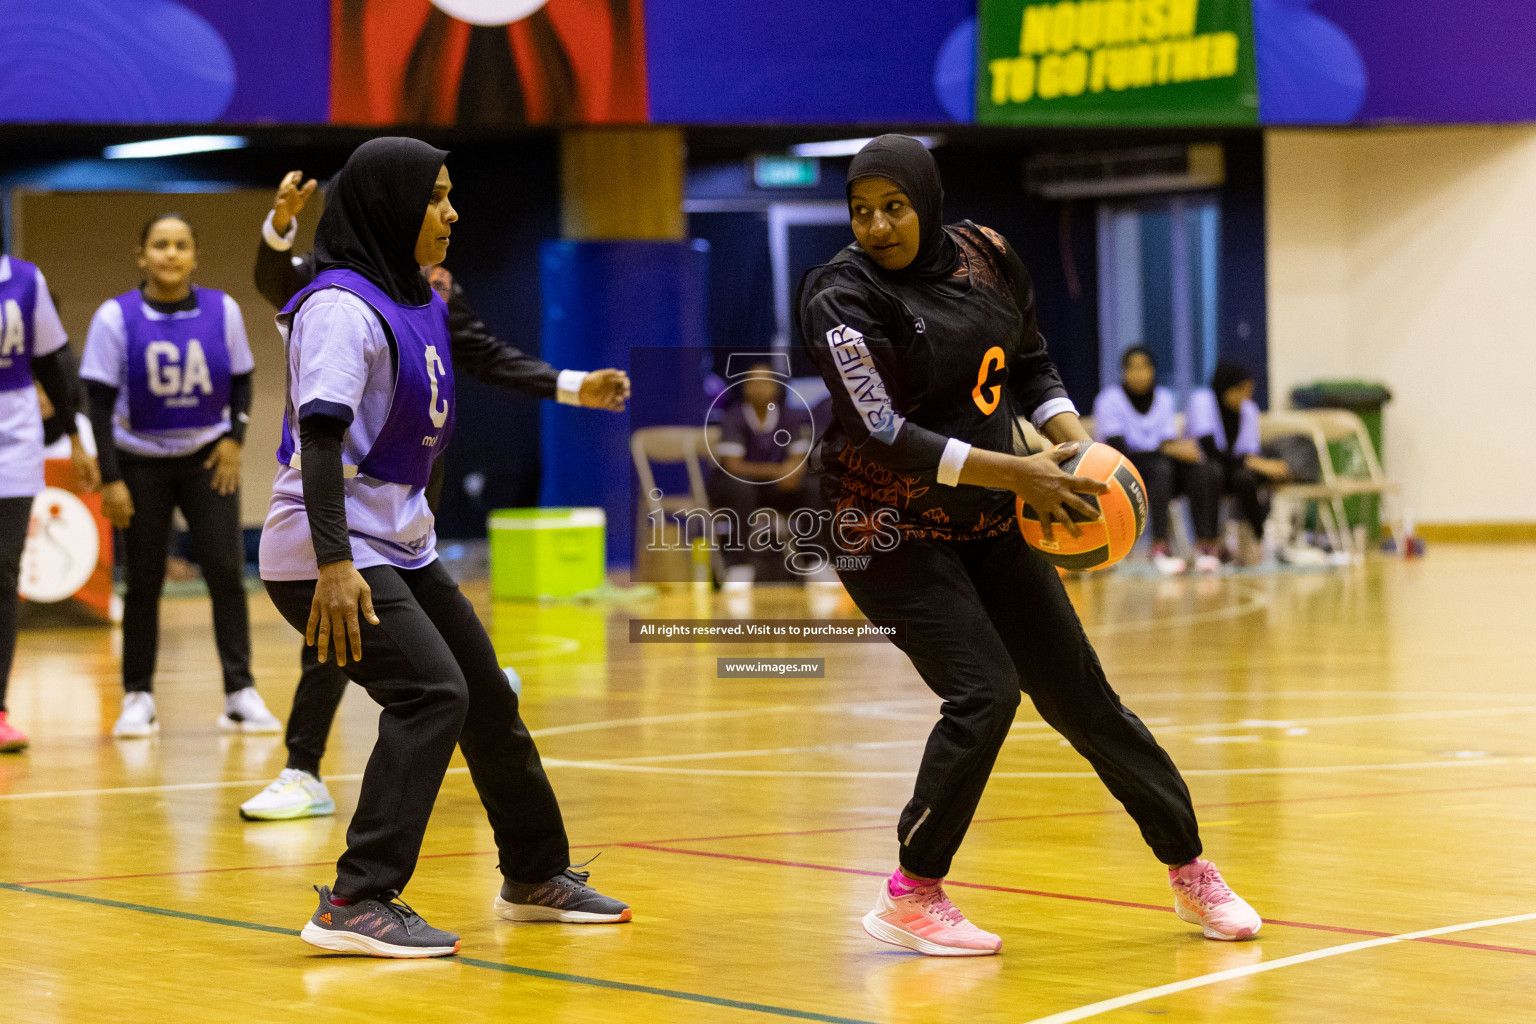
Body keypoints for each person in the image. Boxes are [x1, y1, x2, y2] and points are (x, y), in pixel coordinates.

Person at [798, 135, 1261, 957]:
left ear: (927, 201)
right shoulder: (840, 296)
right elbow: (881, 429)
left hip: (985, 510)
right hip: (881, 525)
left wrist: (1078, 453)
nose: (876, 226)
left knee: (1084, 697)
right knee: (984, 691)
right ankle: (912, 893)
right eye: (861, 211)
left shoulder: (987, 253)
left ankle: (1191, 870)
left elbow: (1032, 363)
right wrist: (1020, 474)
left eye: (894, 207)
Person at [260, 137, 630, 958]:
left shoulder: (419, 296)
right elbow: (318, 442)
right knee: (433, 692)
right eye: (435, 197)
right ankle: (358, 898)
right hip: (326, 550)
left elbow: (483, 358)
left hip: (400, 542)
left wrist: (571, 385)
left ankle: (535, 874)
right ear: (393, 208)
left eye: (451, 194)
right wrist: (334, 565)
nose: (452, 212)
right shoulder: (338, 309)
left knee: (487, 694)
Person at [81, 215, 280, 738]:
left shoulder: (223, 310)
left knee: (225, 572)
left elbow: (242, 380)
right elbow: (97, 404)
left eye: (181, 245)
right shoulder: (114, 317)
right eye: (160, 245)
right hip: (140, 464)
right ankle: (138, 696)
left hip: (205, 461)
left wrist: (235, 440)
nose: (170, 254)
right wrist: (111, 477)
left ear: (194, 255)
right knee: (144, 581)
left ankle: (240, 693)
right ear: (142, 255)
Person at [0, 254, 99, 752]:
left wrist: (78, 439)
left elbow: (53, 365)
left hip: (14, 443)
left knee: (3, 572)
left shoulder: (23, 279)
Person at [1093, 346, 1220, 574]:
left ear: (1153, 370)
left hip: (1161, 465)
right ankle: (1159, 546)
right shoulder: (1109, 399)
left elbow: (1168, 442)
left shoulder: (1163, 397)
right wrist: (1169, 450)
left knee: (1200, 469)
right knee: (1162, 469)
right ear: (1123, 372)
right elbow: (1119, 449)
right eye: (1132, 368)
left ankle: (1204, 545)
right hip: (1120, 468)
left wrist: (1182, 451)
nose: (1139, 373)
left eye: (1144, 367)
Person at [707, 361, 815, 586]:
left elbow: (798, 459)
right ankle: (739, 566)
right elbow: (734, 466)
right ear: (745, 388)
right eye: (753, 382)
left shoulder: (790, 417)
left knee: (813, 485)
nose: (759, 387)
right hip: (736, 487)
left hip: (774, 489)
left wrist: (792, 473)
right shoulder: (734, 417)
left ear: (776, 388)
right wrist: (780, 472)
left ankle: (817, 562)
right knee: (741, 487)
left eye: (765, 382)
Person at [1184, 362, 1290, 563]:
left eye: (1249, 391)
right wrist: (1258, 463)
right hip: (1198, 472)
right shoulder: (1203, 401)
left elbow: (1247, 454)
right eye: (1240, 390)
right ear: (1225, 388)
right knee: (1211, 471)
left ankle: (1258, 538)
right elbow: (1209, 450)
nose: (1245, 397)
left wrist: (1258, 464)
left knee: (1245, 478)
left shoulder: (1249, 410)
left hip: (1230, 471)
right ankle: (1207, 543)